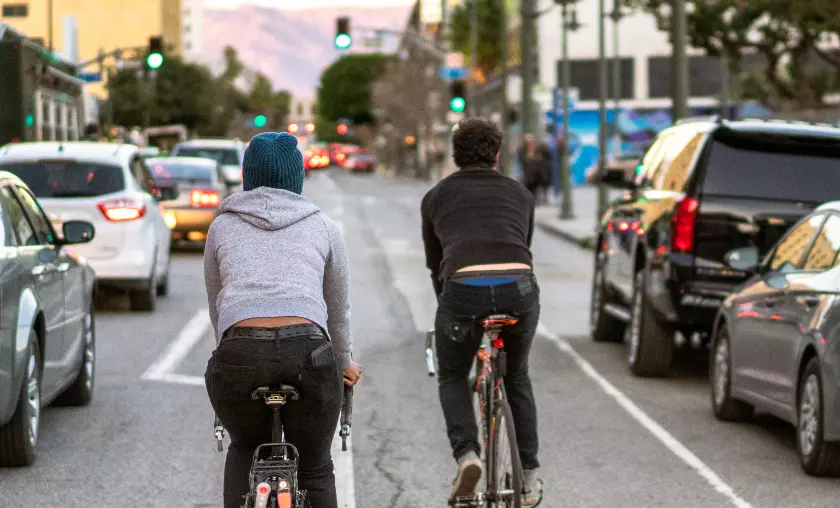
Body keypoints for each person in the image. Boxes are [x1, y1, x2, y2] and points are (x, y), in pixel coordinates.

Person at [203, 131, 362, 508]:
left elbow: (218, 309)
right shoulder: (323, 226)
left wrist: (231, 357)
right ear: (298, 178)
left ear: (247, 176)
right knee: (316, 467)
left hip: (239, 354)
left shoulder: (221, 227)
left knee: (243, 447)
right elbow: (337, 312)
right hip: (309, 353)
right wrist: (345, 362)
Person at [421, 117, 542, 505]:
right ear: (497, 154)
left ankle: (467, 455)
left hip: (463, 291)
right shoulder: (521, 194)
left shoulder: (436, 197)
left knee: (453, 373)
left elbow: (435, 263)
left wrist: (451, 313)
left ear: (455, 155)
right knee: (517, 375)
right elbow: (522, 247)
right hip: (519, 290)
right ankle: (530, 478)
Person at [518, 133, 551, 205]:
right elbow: (524, 160)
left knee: (535, 191)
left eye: (532, 140)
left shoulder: (537, 150)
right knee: (528, 191)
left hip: (536, 175)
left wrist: (531, 159)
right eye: (528, 141)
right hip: (527, 176)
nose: (530, 143)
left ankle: (535, 202)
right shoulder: (522, 150)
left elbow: (540, 160)